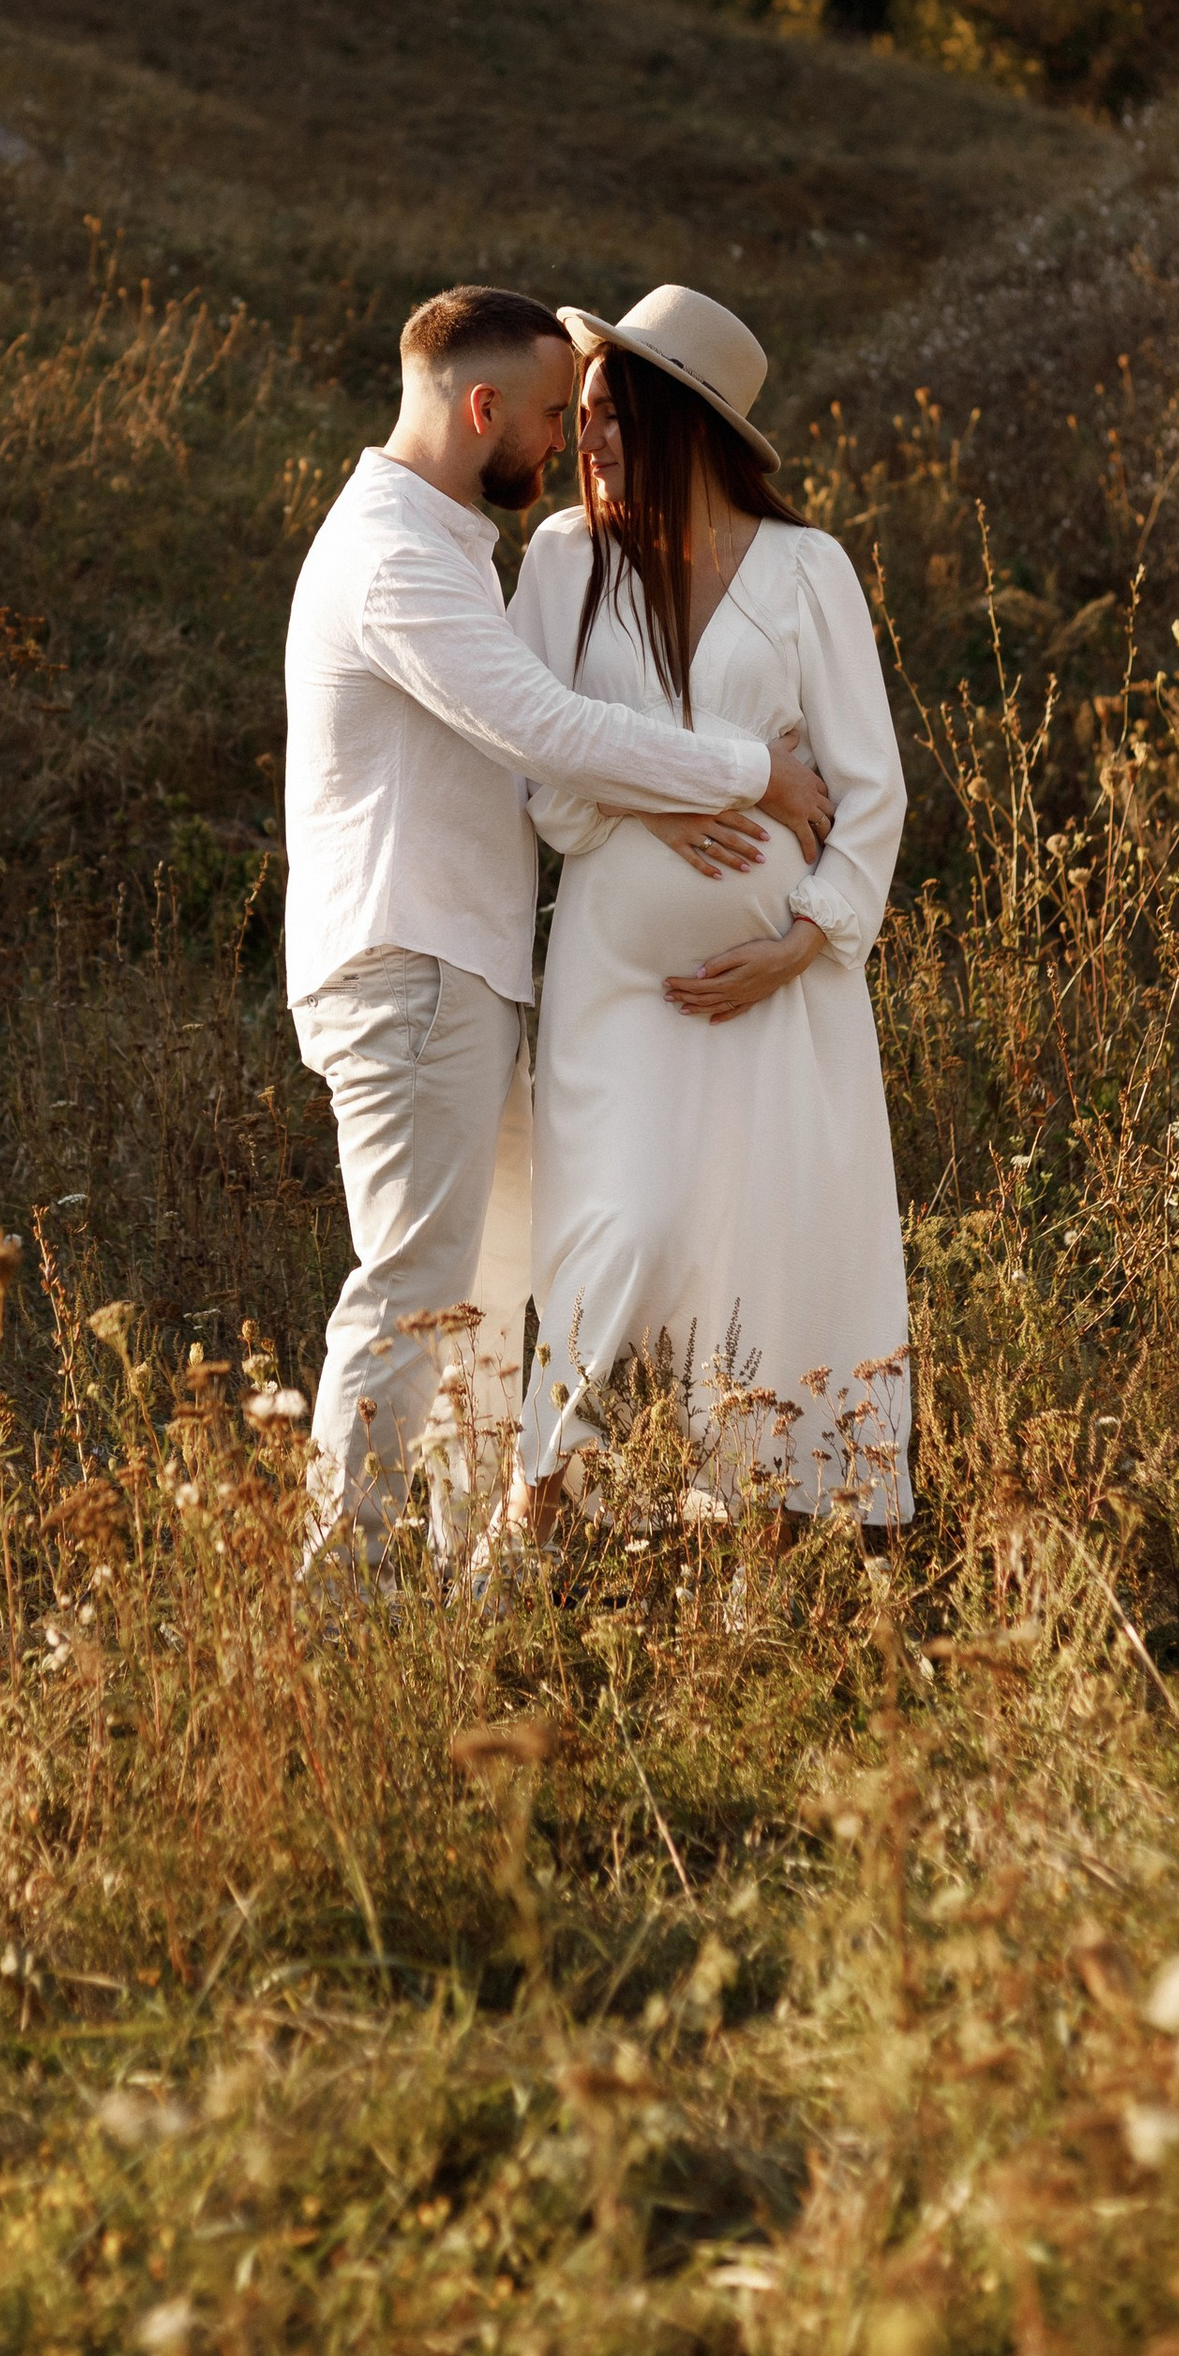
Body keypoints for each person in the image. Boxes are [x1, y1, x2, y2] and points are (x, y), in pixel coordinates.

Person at [284, 284, 835, 1568]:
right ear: (482, 409)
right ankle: (342, 1593)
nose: (559, 445)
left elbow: (555, 766)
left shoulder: (441, 547)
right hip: (408, 966)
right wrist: (750, 770)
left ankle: (469, 1577)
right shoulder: (395, 562)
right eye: (546, 413)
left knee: (479, 1298)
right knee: (417, 1288)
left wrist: (659, 802)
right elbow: (545, 731)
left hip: (459, 969)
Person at [506, 285, 912, 1534]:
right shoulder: (564, 559)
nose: (592, 442)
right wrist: (681, 785)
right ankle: (547, 1503)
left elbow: (868, 786)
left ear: (689, 424)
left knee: (770, 1244)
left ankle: (778, 1524)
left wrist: (802, 944)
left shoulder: (805, 569)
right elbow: (541, 781)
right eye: (581, 417)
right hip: (615, 987)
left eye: (618, 417)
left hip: (780, 989)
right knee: (618, 1226)